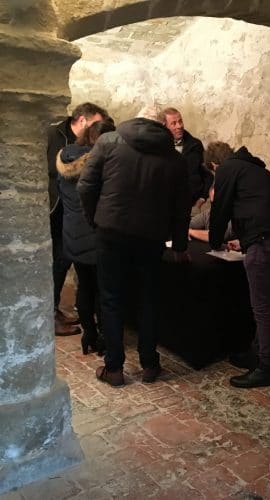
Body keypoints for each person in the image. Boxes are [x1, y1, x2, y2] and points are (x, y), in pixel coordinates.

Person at [77, 107, 191, 387]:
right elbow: (182, 207)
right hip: (151, 237)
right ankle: (150, 364)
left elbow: (85, 187)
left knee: (111, 299)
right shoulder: (175, 158)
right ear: (160, 126)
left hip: (111, 232)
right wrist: (179, 244)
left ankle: (114, 368)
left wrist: (96, 219)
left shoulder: (108, 142)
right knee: (148, 298)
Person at [207, 141, 270, 388]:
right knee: (265, 303)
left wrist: (215, 242)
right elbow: (257, 209)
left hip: (264, 244)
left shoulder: (227, 169)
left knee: (262, 308)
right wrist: (243, 240)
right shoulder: (257, 170)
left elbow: (220, 210)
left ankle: (266, 368)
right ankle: (256, 354)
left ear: (214, 165)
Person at [47, 102, 108, 336]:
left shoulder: (81, 145)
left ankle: (54, 311)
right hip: (54, 208)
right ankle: (50, 314)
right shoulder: (53, 135)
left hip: (72, 214)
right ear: (82, 120)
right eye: (95, 124)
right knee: (57, 263)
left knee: (64, 262)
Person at [56, 120, 115, 355]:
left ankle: (88, 335)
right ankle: (104, 337)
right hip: (95, 232)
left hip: (72, 232)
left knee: (84, 286)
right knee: (102, 289)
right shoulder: (100, 163)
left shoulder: (64, 160)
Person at [162, 107, 212, 213]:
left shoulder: (195, 145)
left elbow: (206, 174)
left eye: (180, 121)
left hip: (194, 205)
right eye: (174, 123)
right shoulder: (160, 148)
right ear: (165, 126)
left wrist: (203, 197)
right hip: (168, 206)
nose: (179, 126)